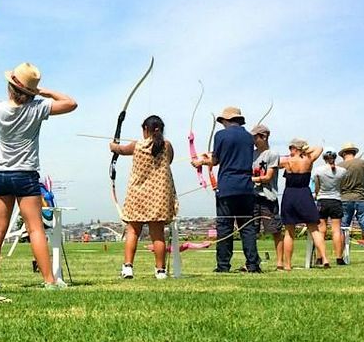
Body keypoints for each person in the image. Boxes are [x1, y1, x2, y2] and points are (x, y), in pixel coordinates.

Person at [0, 63, 77, 289]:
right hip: (25, 174)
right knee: (35, 228)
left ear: (10, 88)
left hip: (0, 174)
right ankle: (49, 280)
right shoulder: (37, 107)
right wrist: (45, 92)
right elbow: (71, 103)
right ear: (30, 91)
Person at [191, 106, 262, 273]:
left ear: (227, 120)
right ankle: (253, 264)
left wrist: (200, 162)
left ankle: (223, 265)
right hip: (246, 186)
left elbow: (215, 160)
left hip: (228, 186)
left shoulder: (221, 135)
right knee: (247, 227)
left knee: (225, 226)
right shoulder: (248, 137)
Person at [110, 114, 178, 279]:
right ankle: (160, 271)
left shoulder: (137, 145)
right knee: (158, 234)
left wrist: (113, 145)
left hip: (138, 195)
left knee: (133, 231)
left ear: (146, 129)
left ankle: (128, 268)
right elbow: (169, 160)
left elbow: (119, 149)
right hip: (159, 196)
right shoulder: (167, 146)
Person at [277, 139, 325, 268]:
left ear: (294, 148)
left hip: (290, 194)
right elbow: (319, 147)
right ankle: (325, 258)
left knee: (289, 232)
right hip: (304, 193)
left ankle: (287, 264)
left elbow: (274, 161)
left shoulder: (287, 161)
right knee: (314, 228)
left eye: (291, 148)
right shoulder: (309, 159)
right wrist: (305, 150)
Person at [250, 125, 281, 266]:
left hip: (268, 197)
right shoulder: (251, 154)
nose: (253, 140)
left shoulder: (272, 154)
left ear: (264, 137)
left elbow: (268, 177)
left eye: (255, 137)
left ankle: (280, 262)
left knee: (275, 230)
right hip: (253, 196)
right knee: (251, 231)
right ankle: (253, 261)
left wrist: (251, 179)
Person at [312, 151, 346, 264]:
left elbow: (316, 186)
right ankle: (339, 257)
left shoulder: (318, 170)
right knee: (336, 230)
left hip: (322, 200)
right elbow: (342, 186)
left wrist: (316, 194)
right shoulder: (342, 171)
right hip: (336, 200)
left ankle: (320, 257)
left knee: (321, 230)